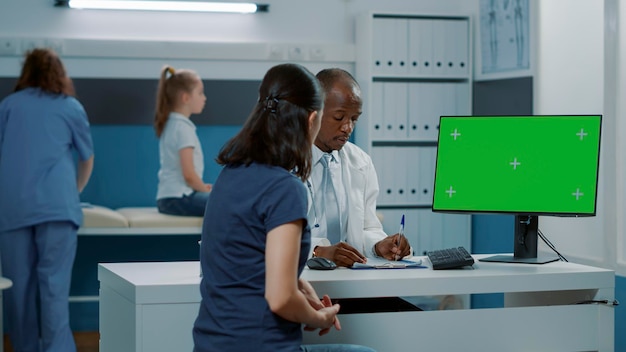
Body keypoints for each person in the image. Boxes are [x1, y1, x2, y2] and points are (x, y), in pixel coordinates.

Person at [192, 63, 376, 352]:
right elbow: (280, 299)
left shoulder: (232, 172)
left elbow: (252, 262)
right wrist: (319, 315)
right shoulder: (285, 187)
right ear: (313, 118)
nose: (347, 127)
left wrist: (301, 287)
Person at [0, 48, 94, 352]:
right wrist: (74, 191)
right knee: (54, 288)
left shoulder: (8, 106)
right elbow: (87, 158)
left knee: (18, 292)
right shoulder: (71, 107)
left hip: (13, 208)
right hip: (57, 208)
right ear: (59, 72)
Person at [307, 68, 413, 267]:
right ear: (314, 112)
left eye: (354, 119)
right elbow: (268, 237)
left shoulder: (360, 162)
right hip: (297, 282)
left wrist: (380, 245)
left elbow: (366, 227)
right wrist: (318, 251)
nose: (347, 128)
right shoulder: (283, 161)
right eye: (339, 117)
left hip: (348, 280)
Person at [154, 65, 211, 216]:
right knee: (227, 202)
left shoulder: (171, 124)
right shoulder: (183, 128)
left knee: (222, 200)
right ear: (185, 98)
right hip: (180, 198)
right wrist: (204, 189)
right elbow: (189, 176)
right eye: (200, 93)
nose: (204, 98)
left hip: (168, 199)